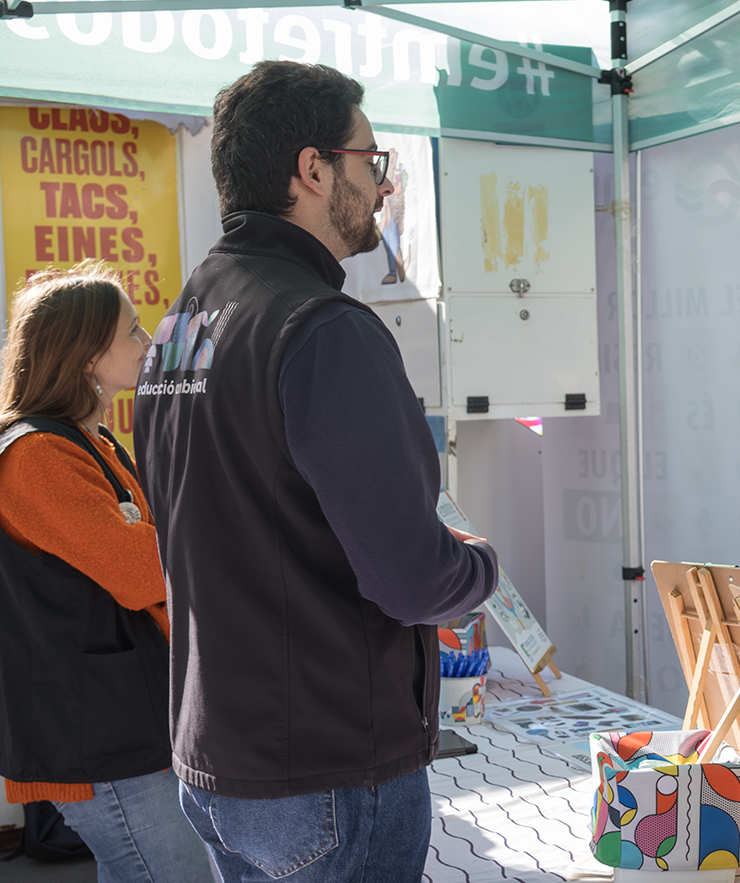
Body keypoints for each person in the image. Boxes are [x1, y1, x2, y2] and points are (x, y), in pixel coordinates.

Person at [133, 61, 500, 882]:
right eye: (373, 162)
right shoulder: (322, 327)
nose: (384, 186)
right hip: (325, 764)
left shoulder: (182, 326)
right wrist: (478, 566)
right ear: (312, 168)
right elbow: (410, 578)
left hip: (220, 752)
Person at [0, 263, 211, 883]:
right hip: (99, 737)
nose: (148, 344)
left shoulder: (96, 443)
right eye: (133, 331)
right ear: (88, 354)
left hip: (125, 722)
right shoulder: (37, 456)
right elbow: (145, 570)